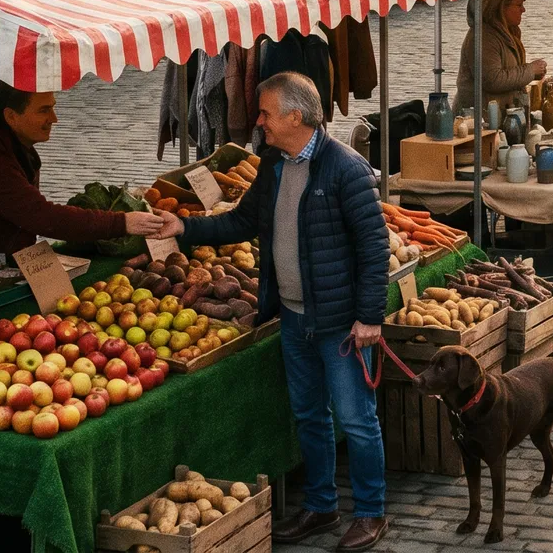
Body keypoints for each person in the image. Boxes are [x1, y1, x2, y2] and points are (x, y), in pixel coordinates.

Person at [156, 73, 389, 550]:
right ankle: (322, 506)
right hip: (293, 317)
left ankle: (371, 512)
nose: (257, 122)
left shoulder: (346, 169)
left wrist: (370, 318)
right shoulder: (275, 165)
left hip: (340, 322)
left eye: (264, 113)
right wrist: (184, 227)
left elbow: (374, 247)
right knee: (308, 416)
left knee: (356, 419)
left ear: (294, 116)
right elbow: (243, 221)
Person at [0, 84, 172, 281]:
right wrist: (121, 222)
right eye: (44, 110)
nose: (54, 118)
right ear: (11, 116)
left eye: (53, 107)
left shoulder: (16, 147)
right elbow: (42, 216)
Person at [454, 0, 546, 113]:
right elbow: (493, 80)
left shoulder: (505, 32)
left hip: (500, 115)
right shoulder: (483, 37)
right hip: (479, 120)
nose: (523, 10)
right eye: (519, 5)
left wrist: (530, 74)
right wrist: (530, 71)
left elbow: (507, 70)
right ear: (501, 7)